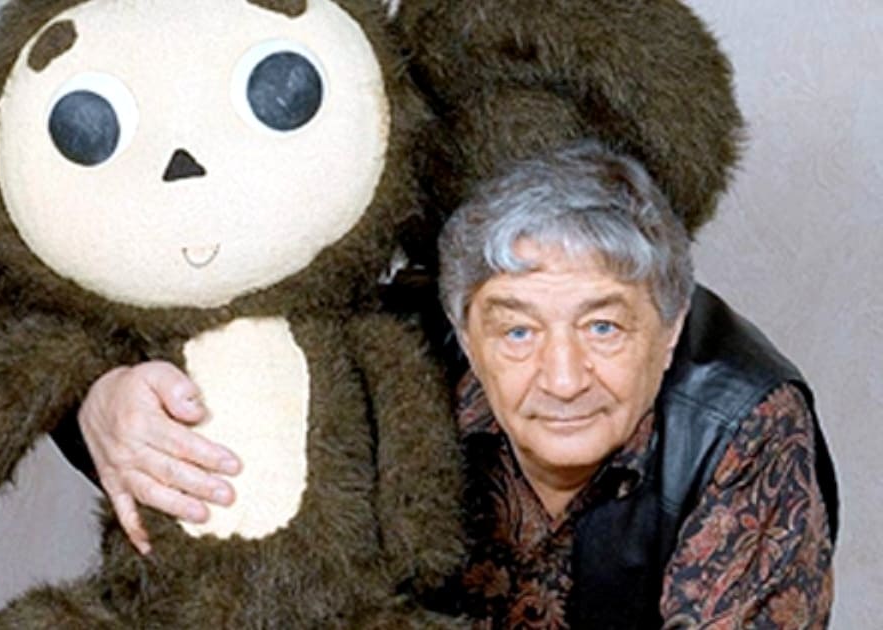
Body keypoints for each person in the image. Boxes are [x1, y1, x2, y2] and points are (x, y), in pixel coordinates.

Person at [53, 142, 838, 628]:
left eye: (603, 328)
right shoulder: (397, 354)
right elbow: (132, 332)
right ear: (463, 331)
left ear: (668, 329)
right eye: (517, 332)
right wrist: (100, 397)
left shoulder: (741, 422)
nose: (563, 379)